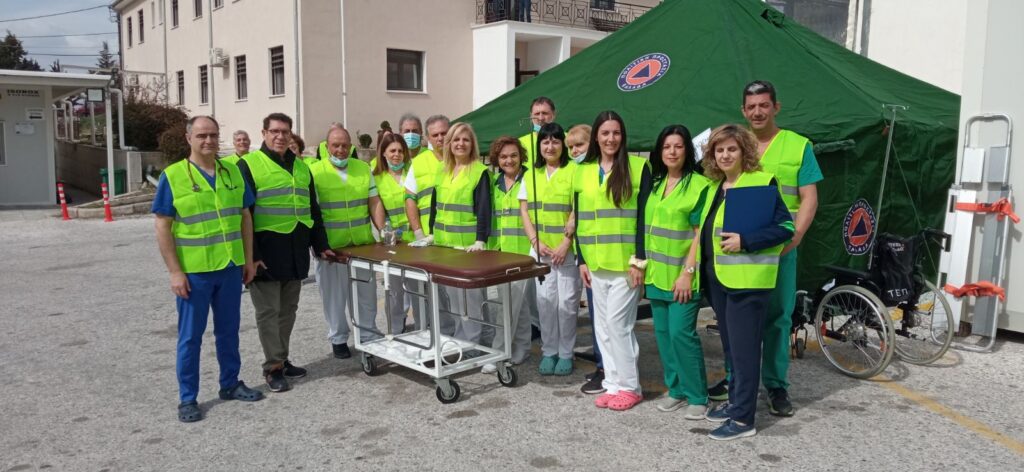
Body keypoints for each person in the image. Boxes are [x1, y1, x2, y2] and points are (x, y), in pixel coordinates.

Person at [707, 80, 822, 418]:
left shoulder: (798, 146)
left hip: (780, 248)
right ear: (743, 110)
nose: (757, 112)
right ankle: (736, 381)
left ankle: (775, 385)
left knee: (776, 318)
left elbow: (809, 198)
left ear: (776, 107)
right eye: (751, 106)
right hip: (735, 252)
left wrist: (794, 239)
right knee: (733, 324)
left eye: (764, 105)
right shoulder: (734, 144)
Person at [153, 115, 263, 423]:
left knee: (229, 330)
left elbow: (245, 217)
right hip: (195, 272)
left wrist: (247, 259)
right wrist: (175, 272)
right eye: (202, 135)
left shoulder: (231, 172)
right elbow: (162, 225)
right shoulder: (173, 176)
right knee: (190, 337)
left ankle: (230, 383)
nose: (209, 141)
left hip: (229, 267)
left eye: (213, 135)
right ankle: (188, 398)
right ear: (189, 138)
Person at [697, 124, 794, 440]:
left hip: (747, 282)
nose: (725, 155)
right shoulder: (716, 187)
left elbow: (785, 228)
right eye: (719, 150)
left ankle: (742, 421)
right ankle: (736, 403)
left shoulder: (761, 182)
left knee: (745, 352)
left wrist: (746, 241)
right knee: (732, 351)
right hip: (720, 281)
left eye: (731, 149)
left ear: (744, 151)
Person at [237, 112, 331, 393]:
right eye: (274, 131)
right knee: (268, 312)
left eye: (285, 132)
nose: (280, 136)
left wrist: (320, 245)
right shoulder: (248, 165)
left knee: (288, 310)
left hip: (295, 249)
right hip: (265, 252)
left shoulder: (301, 167)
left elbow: (312, 208)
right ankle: (273, 368)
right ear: (264, 133)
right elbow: (244, 215)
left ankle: (282, 357)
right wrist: (251, 256)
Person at [574, 111, 651, 411]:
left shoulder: (637, 167)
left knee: (619, 326)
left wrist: (639, 261)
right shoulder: (583, 171)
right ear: (596, 136)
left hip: (624, 265)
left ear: (623, 136)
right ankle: (613, 383)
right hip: (595, 264)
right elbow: (581, 218)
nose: (610, 138)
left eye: (616, 133)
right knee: (603, 327)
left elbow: (644, 218)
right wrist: (581, 260)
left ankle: (630, 387)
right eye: (605, 133)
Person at [644, 124, 712, 419]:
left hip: (682, 277)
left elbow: (699, 235)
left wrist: (688, 272)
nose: (672, 152)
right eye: (667, 146)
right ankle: (676, 390)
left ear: (688, 150)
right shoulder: (656, 184)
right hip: (656, 275)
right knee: (663, 335)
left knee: (681, 334)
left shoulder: (699, 185)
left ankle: (698, 396)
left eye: (678, 146)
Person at [310, 125, 387, 358]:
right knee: (334, 297)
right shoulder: (315, 171)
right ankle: (338, 338)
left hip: (362, 244)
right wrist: (318, 244)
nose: (340, 150)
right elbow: (313, 211)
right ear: (327, 146)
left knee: (366, 295)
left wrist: (383, 230)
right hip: (331, 248)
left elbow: (374, 201)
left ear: (351, 146)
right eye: (336, 145)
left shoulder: (363, 168)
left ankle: (368, 336)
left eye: (344, 145)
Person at [412, 122, 493, 342]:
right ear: (449, 143)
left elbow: (484, 208)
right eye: (456, 139)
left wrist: (481, 239)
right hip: (444, 245)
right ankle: (461, 338)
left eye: (466, 139)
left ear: (472, 144)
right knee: (453, 298)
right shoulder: (442, 171)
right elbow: (435, 206)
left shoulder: (479, 172)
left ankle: (473, 342)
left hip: (468, 247)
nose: (461, 144)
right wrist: (431, 233)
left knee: (471, 300)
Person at [520, 123, 581, 376]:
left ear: (563, 145)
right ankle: (549, 351)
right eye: (545, 141)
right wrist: (535, 241)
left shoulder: (574, 171)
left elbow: (579, 208)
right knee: (545, 304)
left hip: (567, 250)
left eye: (555, 141)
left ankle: (566, 353)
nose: (550, 146)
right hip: (542, 251)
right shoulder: (531, 175)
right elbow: (524, 211)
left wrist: (566, 243)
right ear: (539, 146)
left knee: (567, 304)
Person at [481, 136, 534, 373]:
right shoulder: (494, 182)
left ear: (521, 156)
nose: (508, 160)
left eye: (513, 155)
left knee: (507, 306)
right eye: (503, 157)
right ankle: (522, 347)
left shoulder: (530, 179)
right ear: (496, 159)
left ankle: (498, 353)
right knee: (515, 304)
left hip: (521, 252)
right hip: (498, 251)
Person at [566, 124, 607, 394]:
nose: (574, 151)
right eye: (570, 147)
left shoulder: (602, 170)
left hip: (610, 255)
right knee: (596, 316)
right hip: (589, 255)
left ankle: (609, 369)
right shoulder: (580, 171)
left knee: (610, 320)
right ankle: (603, 365)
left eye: (578, 145)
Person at [373, 132, 419, 334]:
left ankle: (424, 328)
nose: (396, 155)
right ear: (383, 153)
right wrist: (385, 232)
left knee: (419, 289)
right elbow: (376, 207)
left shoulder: (413, 173)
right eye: (392, 150)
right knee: (394, 291)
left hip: (416, 240)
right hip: (393, 242)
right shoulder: (377, 178)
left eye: (400, 151)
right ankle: (396, 330)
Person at [404, 115, 451, 239]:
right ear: (428, 138)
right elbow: (410, 199)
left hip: (459, 235)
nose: (440, 138)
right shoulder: (418, 163)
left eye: (444, 133)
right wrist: (418, 233)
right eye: (435, 135)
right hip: (429, 235)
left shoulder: (463, 160)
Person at [519, 97, 556, 167]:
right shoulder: (520, 143)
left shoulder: (567, 139)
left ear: (553, 115)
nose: (541, 118)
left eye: (545, 113)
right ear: (531, 116)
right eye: (537, 114)